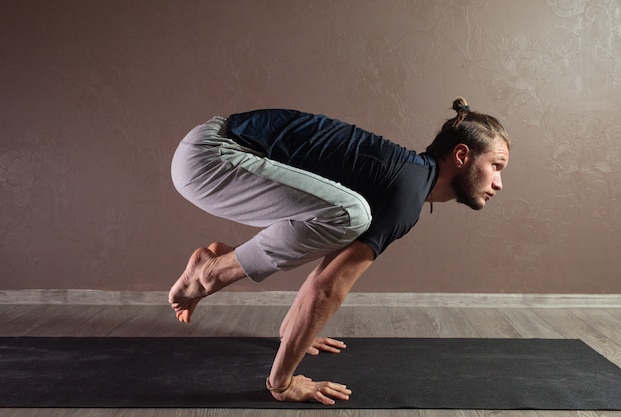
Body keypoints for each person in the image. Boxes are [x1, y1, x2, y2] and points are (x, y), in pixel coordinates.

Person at [168, 97, 511, 405]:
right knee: (352, 214)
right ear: (462, 155)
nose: (498, 183)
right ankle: (210, 272)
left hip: (212, 152)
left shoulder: (405, 180)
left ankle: (213, 268)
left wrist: (295, 332)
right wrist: (281, 383)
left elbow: (329, 273)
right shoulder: (406, 192)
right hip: (210, 157)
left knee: (349, 216)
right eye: (495, 166)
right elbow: (328, 289)